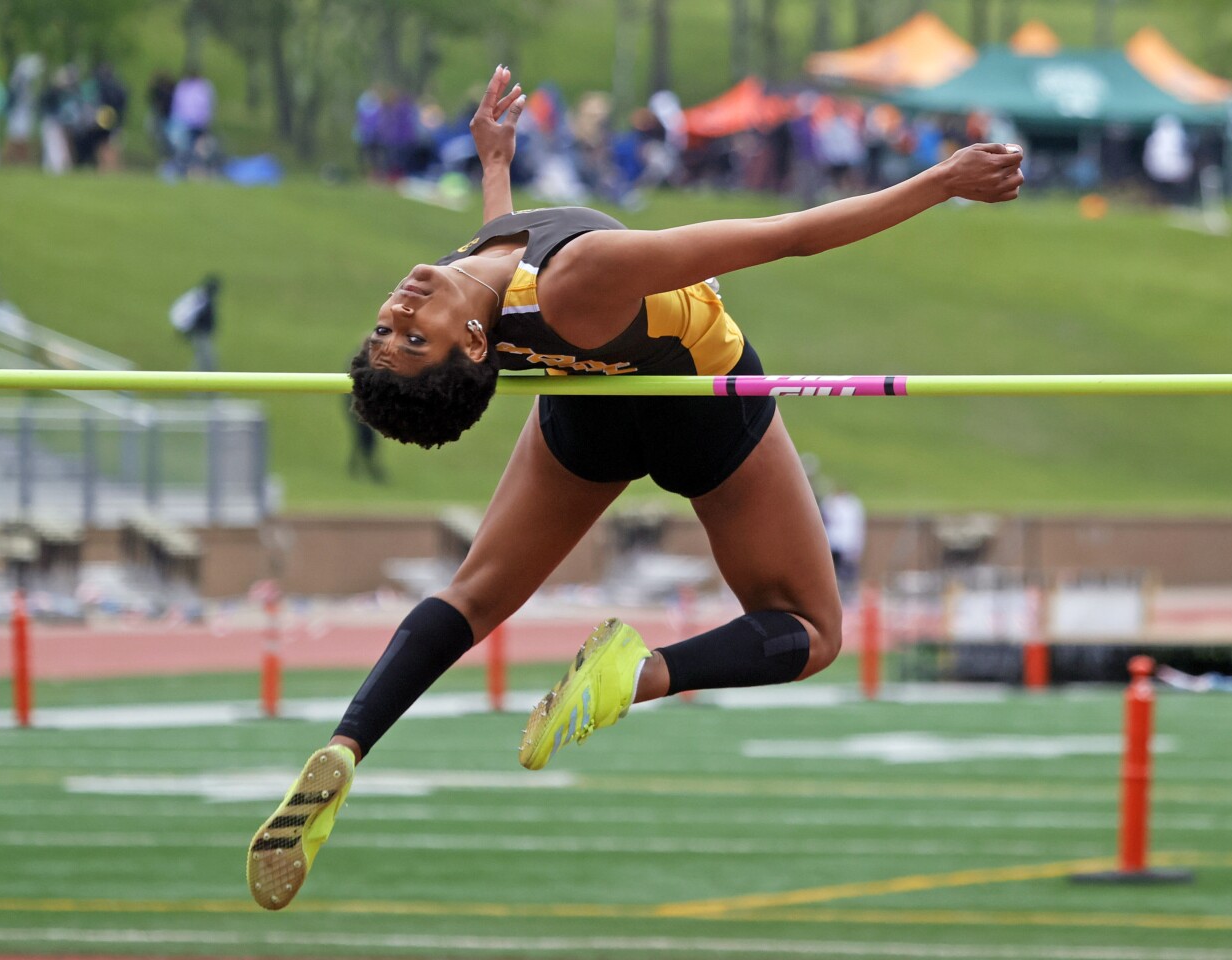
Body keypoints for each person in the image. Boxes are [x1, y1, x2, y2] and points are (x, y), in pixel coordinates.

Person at [245, 65, 1022, 911]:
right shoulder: (587, 274)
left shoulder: (471, 285)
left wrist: (494, 164)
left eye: (385, 329)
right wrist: (943, 181)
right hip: (695, 398)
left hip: (585, 404)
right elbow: (790, 235)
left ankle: (351, 743)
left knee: (473, 595)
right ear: (471, 348)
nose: (400, 306)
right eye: (410, 334)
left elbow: (498, 271)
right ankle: (639, 675)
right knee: (812, 630)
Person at [820, 482, 866, 602]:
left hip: (846, 542)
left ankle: (847, 596)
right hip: (834, 541)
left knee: (848, 571)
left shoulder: (853, 504)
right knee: (834, 571)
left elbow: (857, 525)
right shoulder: (830, 502)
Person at [168, 274, 221, 371]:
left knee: (202, 357)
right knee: (206, 358)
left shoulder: (201, 297)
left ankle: (196, 378)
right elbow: (188, 314)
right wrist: (185, 328)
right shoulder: (200, 299)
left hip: (203, 333)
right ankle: (205, 378)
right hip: (200, 333)